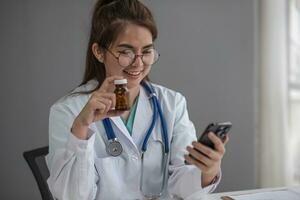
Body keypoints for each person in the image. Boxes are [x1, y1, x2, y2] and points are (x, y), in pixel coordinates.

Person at [46, 0, 229, 199]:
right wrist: (82, 126)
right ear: (99, 52)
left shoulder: (172, 104)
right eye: (126, 52)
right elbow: (72, 196)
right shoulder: (68, 111)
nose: (138, 63)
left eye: (147, 51)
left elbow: (183, 186)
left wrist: (207, 170)